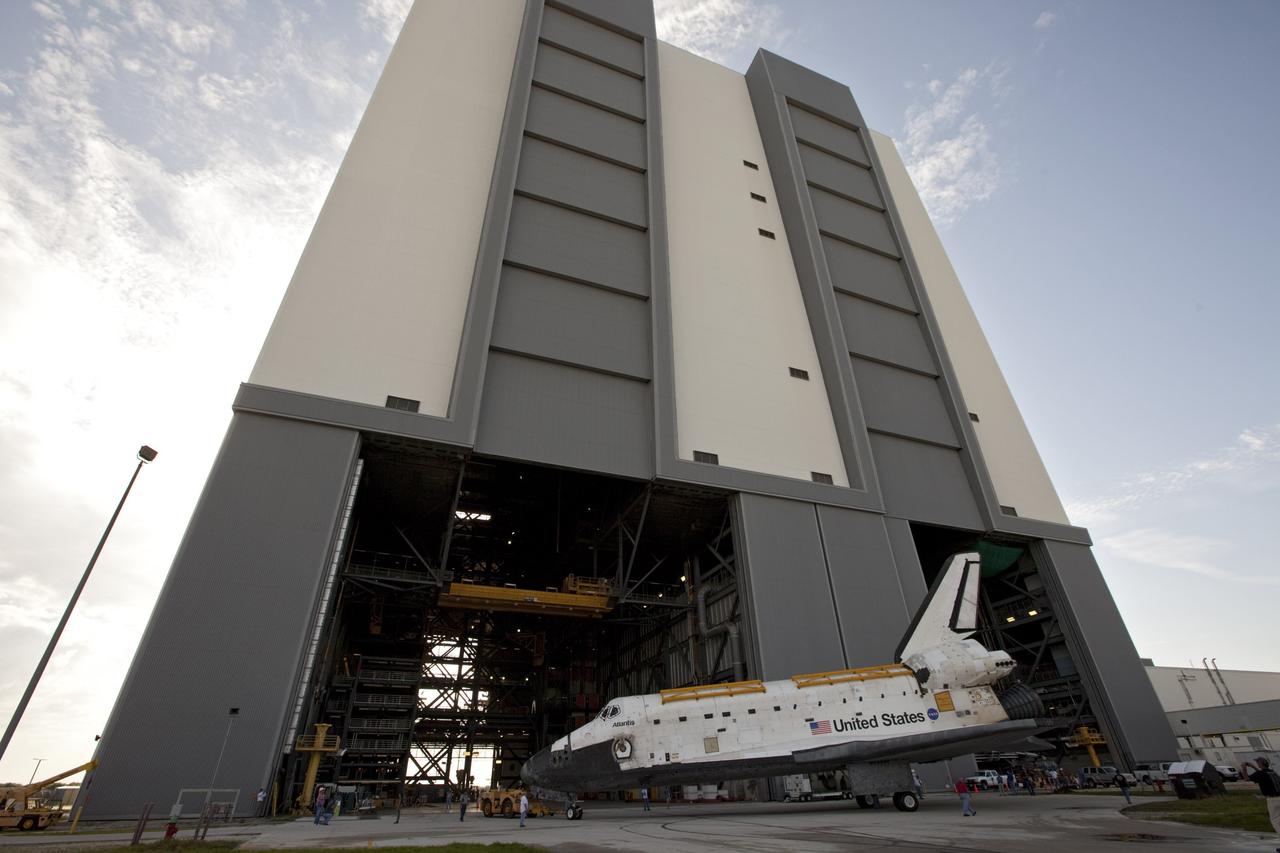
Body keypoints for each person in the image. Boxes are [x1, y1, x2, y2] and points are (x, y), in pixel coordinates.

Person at [1241, 757, 1280, 850]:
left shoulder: (1260, 774)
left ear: (1260, 764)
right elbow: (1261, 773)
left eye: (1257, 762)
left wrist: (1244, 768)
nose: (1257, 764)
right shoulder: (1273, 772)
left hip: (1273, 800)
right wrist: (1252, 766)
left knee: (1276, 821)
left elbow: (1246, 778)